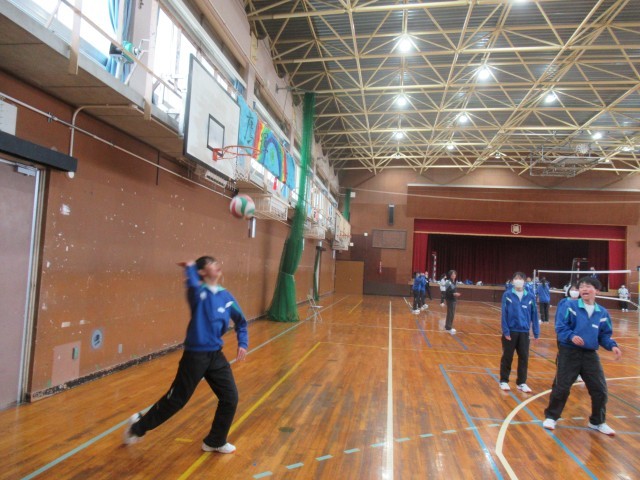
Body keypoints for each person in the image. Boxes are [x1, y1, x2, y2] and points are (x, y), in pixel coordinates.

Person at [123, 256, 248, 453]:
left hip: (215, 355)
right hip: (195, 356)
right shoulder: (197, 293)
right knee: (176, 401)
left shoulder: (226, 297)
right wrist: (190, 268)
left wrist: (243, 343)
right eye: (211, 263)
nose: (217, 265)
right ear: (202, 272)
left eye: (217, 262)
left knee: (230, 398)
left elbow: (241, 321)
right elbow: (192, 283)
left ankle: (215, 441)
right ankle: (137, 428)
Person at [543, 277, 622, 436]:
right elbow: (560, 326)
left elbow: (604, 335)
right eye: (582, 287)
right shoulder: (570, 306)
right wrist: (571, 336)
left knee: (600, 389)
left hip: (590, 355)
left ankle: (597, 422)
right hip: (569, 352)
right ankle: (551, 417)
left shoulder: (602, 313)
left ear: (597, 290)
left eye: (588, 286)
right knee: (562, 387)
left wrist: (612, 346)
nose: (584, 289)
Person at [499, 272, 539, 393]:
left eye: (520, 278)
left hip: (524, 332)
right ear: (512, 281)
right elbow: (504, 314)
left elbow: (534, 315)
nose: (518, 280)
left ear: (524, 281)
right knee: (507, 357)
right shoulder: (507, 295)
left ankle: (521, 383)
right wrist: (506, 331)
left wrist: (536, 332)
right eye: (516, 278)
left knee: (524, 358)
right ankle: (504, 380)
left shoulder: (530, 296)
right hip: (510, 331)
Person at [444, 269, 461, 334]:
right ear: (450, 275)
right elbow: (446, 292)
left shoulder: (454, 282)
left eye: (455, 274)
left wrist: (455, 294)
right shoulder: (448, 282)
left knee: (451, 313)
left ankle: (447, 326)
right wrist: (453, 294)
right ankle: (448, 327)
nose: (454, 275)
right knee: (451, 313)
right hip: (450, 300)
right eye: (453, 274)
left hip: (453, 299)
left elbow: (453, 291)